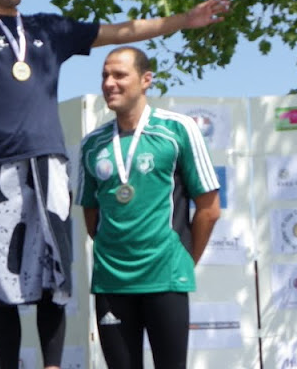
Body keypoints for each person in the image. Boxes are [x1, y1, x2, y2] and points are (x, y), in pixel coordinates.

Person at [0, 0, 229, 369]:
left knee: (52, 277)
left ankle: (51, 365)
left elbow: (120, 32)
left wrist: (184, 20)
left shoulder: (48, 29)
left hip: (47, 163)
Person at [76, 46, 221, 368]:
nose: (109, 83)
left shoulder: (178, 130)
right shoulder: (92, 144)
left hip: (165, 276)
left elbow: (209, 209)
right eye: (104, 76)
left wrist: (183, 261)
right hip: (111, 281)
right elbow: (91, 213)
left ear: (145, 80)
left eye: (119, 75)